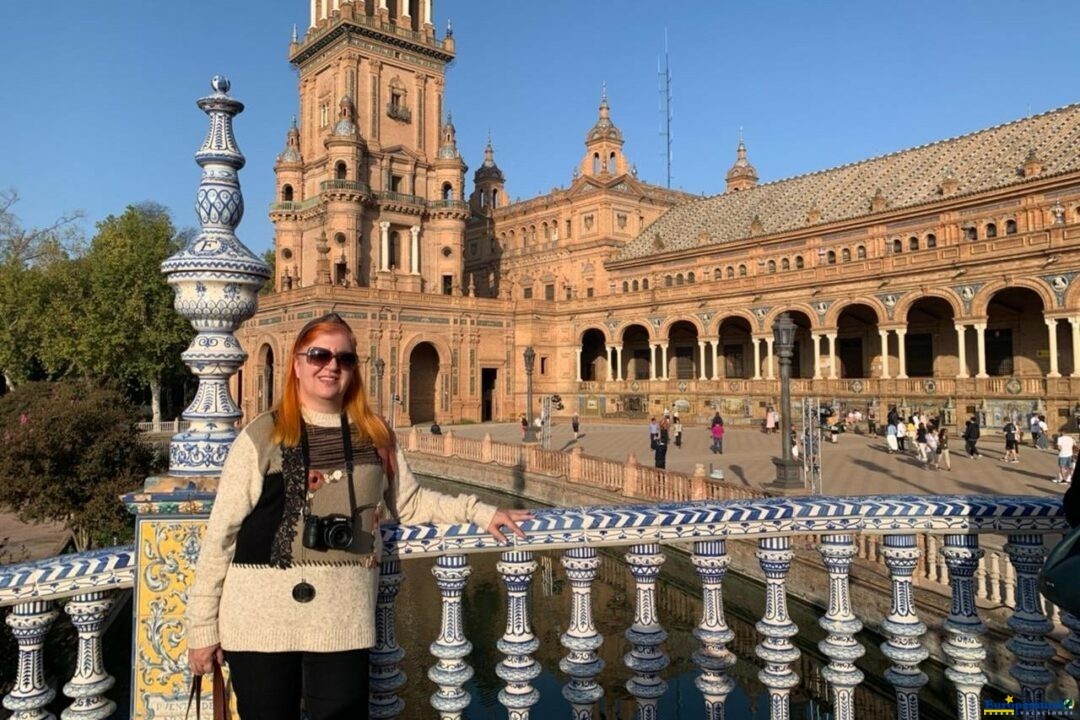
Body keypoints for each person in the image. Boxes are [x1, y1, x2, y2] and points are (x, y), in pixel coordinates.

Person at [185, 313, 531, 720]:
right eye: (318, 355)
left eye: (344, 359)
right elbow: (221, 534)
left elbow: (412, 503)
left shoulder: (374, 434)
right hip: (260, 623)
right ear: (296, 365)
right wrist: (202, 628)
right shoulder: (262, 434)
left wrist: (479, 511)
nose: (331, 366)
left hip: (341, 621)